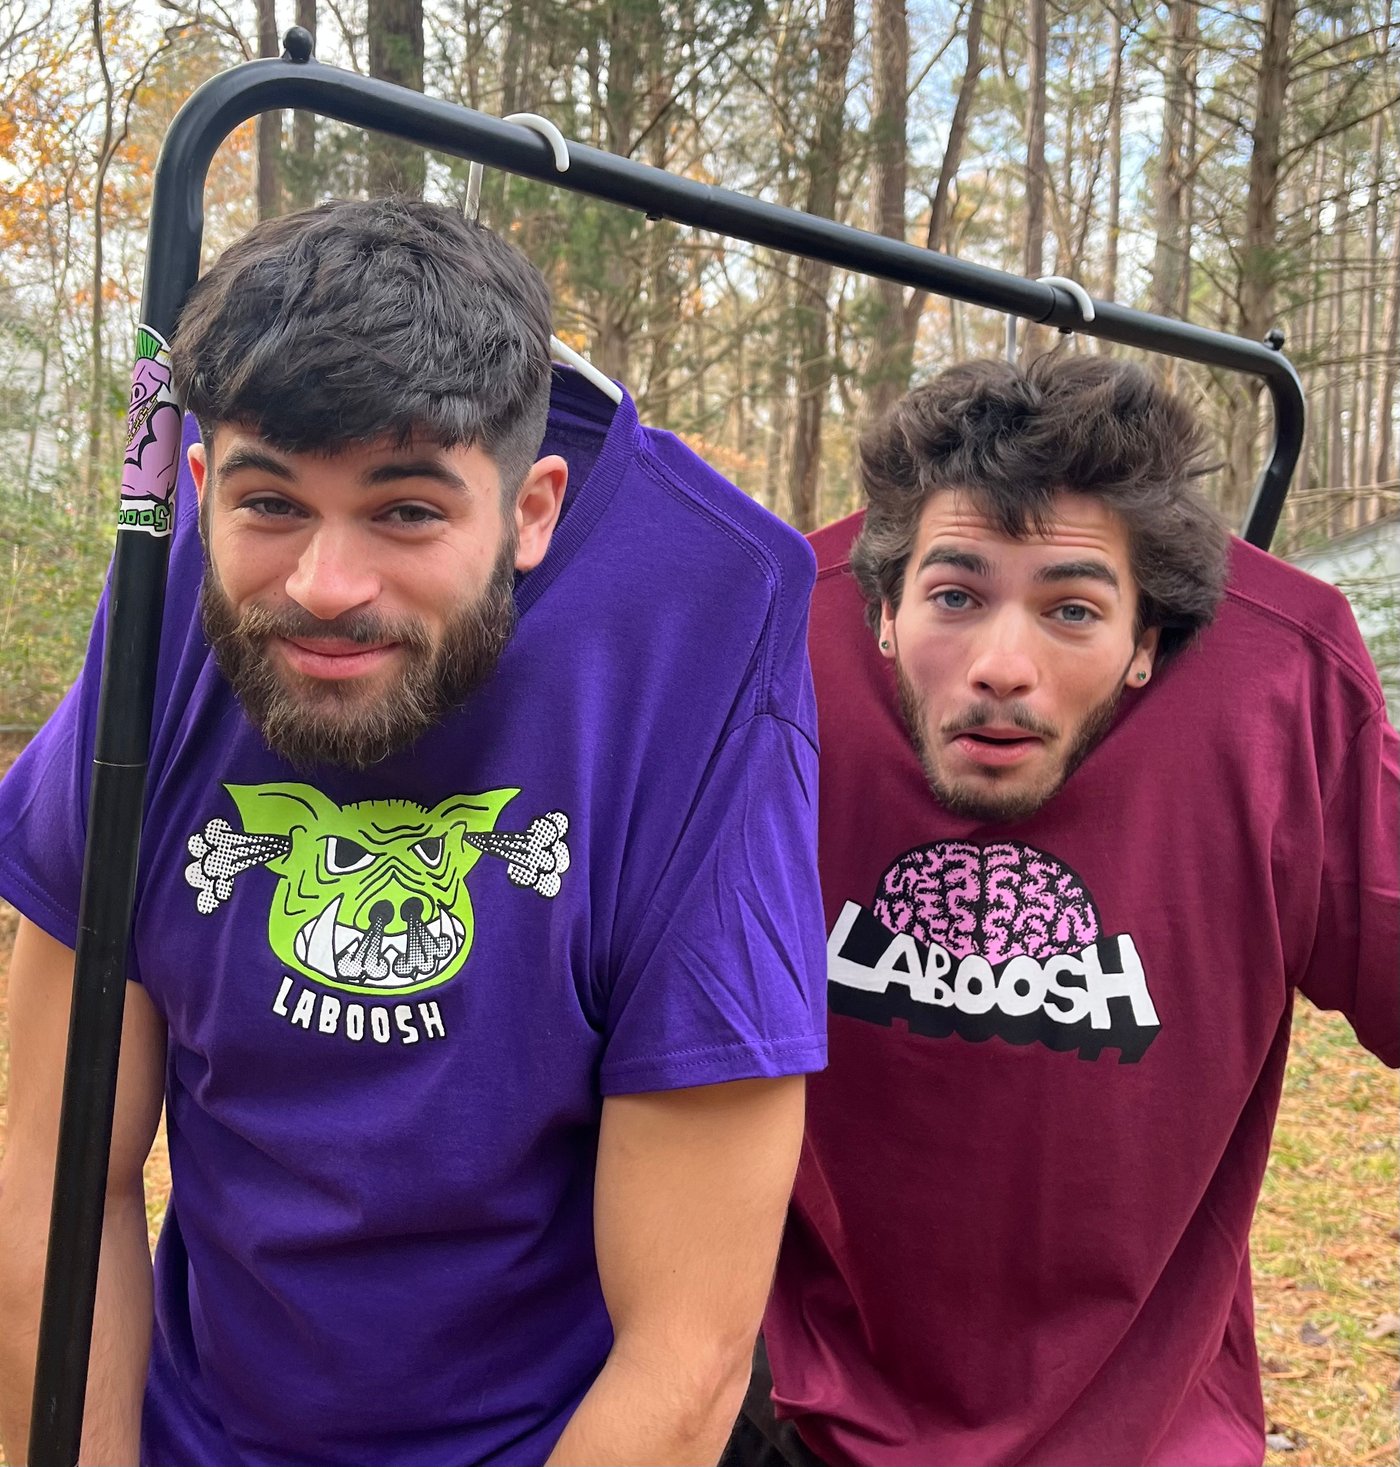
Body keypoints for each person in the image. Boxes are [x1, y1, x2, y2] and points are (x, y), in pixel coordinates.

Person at [0, 198, 828, 1467]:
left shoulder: (700, 633)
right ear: (206, 491)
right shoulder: (167, 576)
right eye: (273, 505)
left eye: (405, 513)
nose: (323, 587)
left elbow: (686, 1347)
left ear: (532, 509)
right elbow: (60, 1182)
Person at [729, 356, 1399, 1467]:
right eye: (955, 597)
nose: (1003, 666)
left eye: (1072, 610)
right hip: (800, 1404)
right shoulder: (763, 659)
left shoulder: (1283, 695)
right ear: (883, 612)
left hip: (1146, 1433)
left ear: (1145, 644)